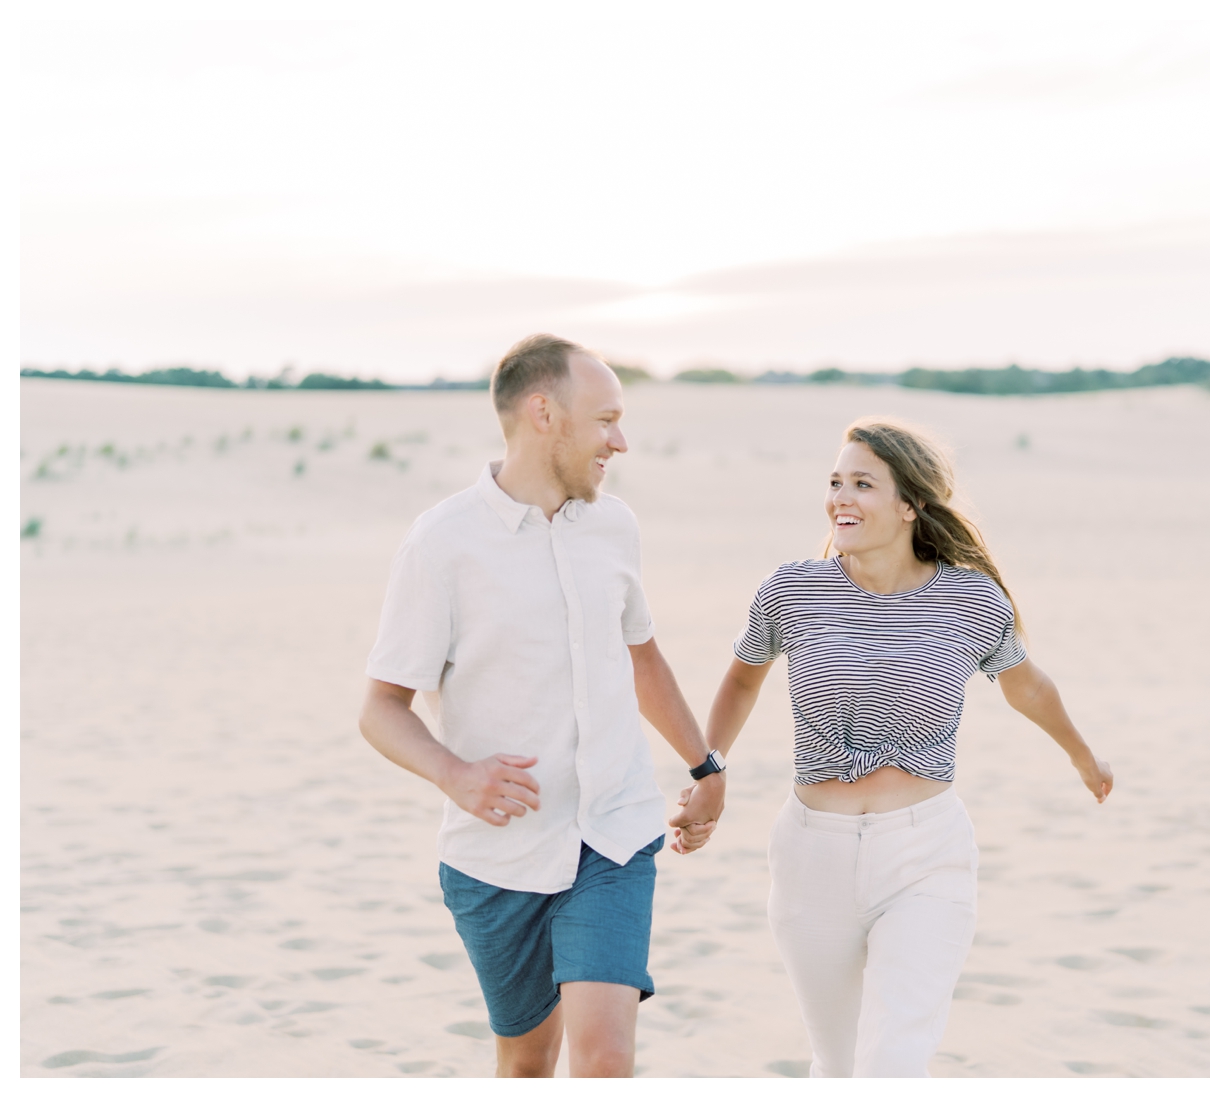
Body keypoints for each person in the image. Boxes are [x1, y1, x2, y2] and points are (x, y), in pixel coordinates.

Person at [699, 417, 1113, 1077]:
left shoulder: (971, 599)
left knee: (892, 1064)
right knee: (838, 1066)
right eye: (835, 482)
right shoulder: (793, 590)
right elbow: (743, 678)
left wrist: (1083, 757)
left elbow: (1027, 687)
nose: (841, 497)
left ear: (909, 506)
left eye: (862, 483)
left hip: (926, 856)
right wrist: (708, 767)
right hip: (812, 856)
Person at [358, 334, 725, 1078]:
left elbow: (641, 655)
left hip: (614, 836)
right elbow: (381, 708)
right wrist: (455, 774)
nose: (620, 442)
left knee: (603, 1058)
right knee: (527, 1063)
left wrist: (703, 762)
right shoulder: (442, 544)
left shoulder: (616, 527)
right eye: (606, 420)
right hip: (499, 856)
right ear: (543, 413)